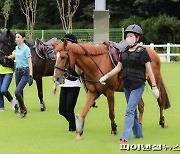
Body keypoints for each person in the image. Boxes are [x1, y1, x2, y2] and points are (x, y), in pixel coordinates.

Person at [99, 24, 160, 144]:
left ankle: (124, 137)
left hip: (138, 85)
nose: (129, 38)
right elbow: (118, 68)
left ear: (137, 38)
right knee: (133, 112)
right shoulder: (124, 51)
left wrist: (154, 87)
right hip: (127, 86)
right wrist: (105, 76)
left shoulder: (142, 52)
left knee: (129, 110)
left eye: (131, 36)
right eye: (127, 36)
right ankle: (139, 134)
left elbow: (149, 70)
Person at [52, 33, 81, 132]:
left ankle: (72, 129)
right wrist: (55, 85)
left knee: (69, 108)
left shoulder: (77, 56)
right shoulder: (62, 54)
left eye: (67, 42)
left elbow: (80, 72)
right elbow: (57, 70)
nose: (65, 44)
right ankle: (75, 120)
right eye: (64, 42)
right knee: (61, 110)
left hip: (74, 84)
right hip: (64, 84)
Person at [8, 31, 33, 118]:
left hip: (25, 72)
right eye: (16, 37)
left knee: (17, 91)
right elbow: (13, 56)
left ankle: (23, 109)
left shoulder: (26, 49)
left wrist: (30, 75)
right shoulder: (16, 48)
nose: (16, 39)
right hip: (17, 72)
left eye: (18, 37)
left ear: (23, 38)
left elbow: (30, 62)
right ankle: (22, 111)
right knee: (20, 93)